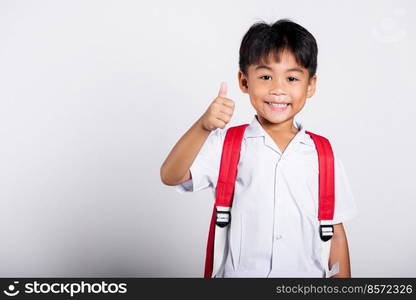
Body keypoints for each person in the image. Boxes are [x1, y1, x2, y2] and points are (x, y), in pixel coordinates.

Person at [160, 19, 357, 278]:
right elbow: (171, 175)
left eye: (291, 78)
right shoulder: (227, 144)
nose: (278, 89)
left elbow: (335, 232)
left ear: (310, 85)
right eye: (265, 76)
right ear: (244, 81)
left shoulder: (323, 155)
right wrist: (203, 126)